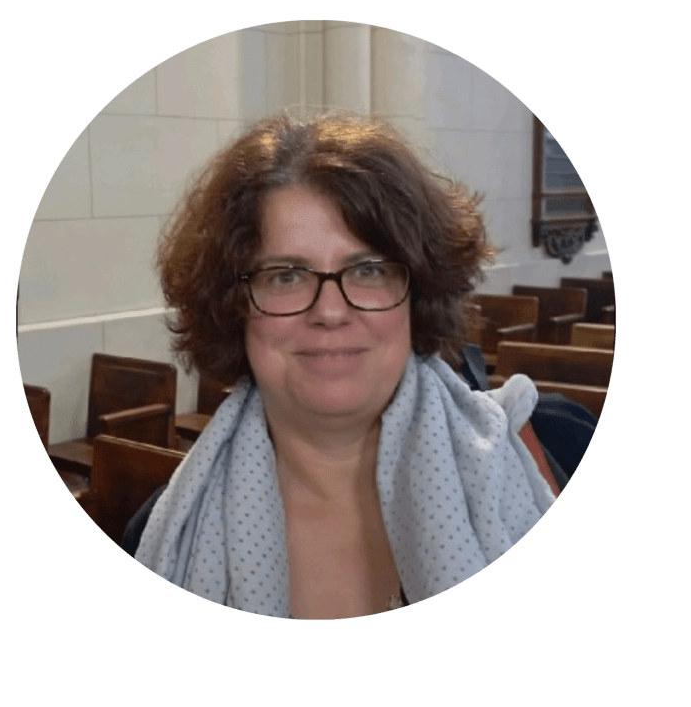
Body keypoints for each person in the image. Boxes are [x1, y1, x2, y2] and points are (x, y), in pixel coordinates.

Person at [130, 112, 556, 619]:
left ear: (418, 293)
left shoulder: (550, 452)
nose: (330, 312)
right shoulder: (165, 535)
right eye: (286, 276)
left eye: (368, 270)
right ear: (232, 307)